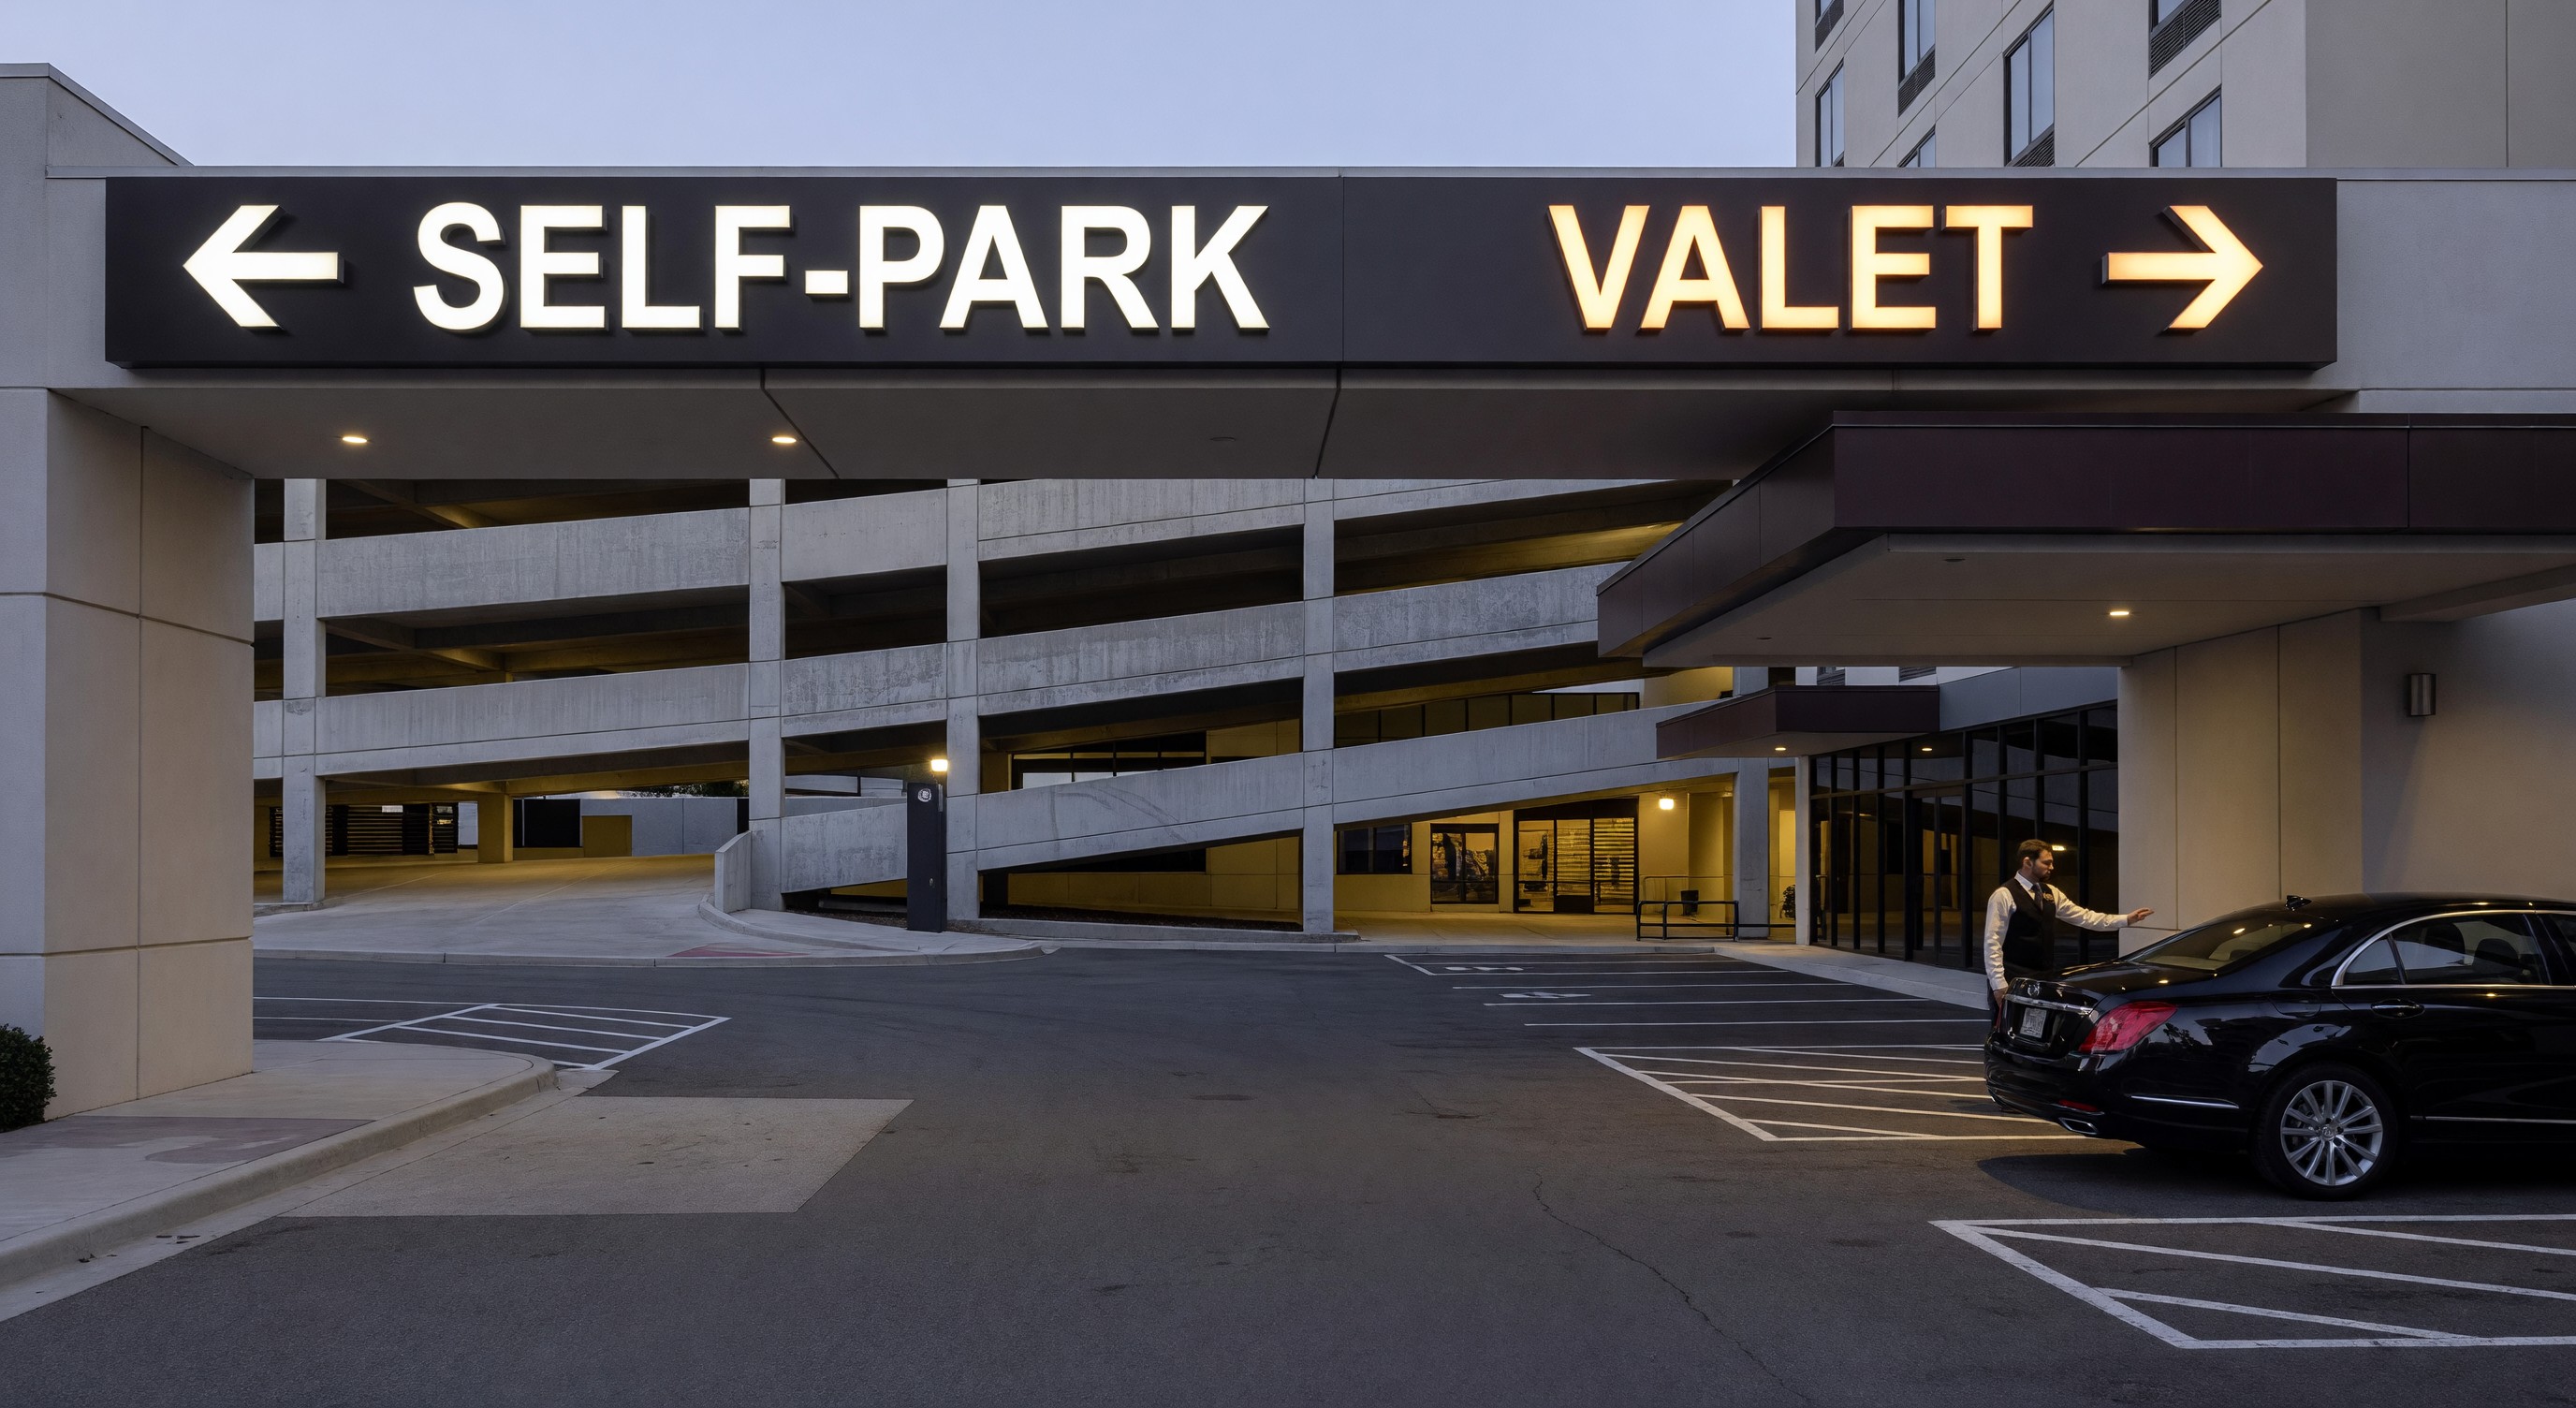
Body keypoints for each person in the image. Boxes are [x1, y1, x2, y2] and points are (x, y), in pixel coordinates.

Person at [1983, 839, 2152, 1007]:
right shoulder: (2004, 895)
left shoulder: (2051, 892)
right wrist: (1998, 984)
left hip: (2044, 978)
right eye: (2046, 863)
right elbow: (1993, 942)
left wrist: (2125, 919)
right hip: (2012, 978)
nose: (2051, 867)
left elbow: (2085, 917)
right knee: (2007, 1024)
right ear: (2027, 862)